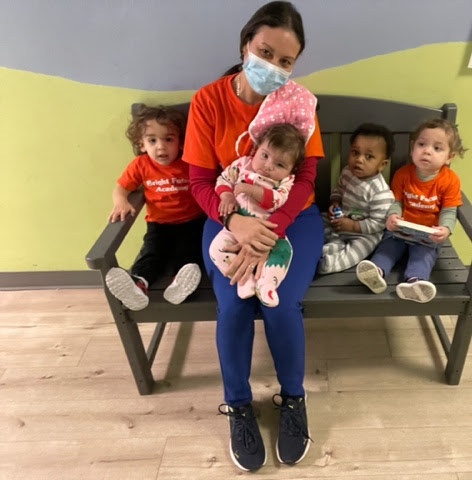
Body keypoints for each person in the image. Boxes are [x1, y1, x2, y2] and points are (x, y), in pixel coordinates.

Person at [182, 1, 324, 471]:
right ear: (246, 45)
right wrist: (236, 224)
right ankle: (238, 406)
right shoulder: (208, 101)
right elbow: (200, 181)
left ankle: (294, 399)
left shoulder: (298, 104)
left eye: (286, 60)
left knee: (279, 301)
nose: (274, 66)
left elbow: (306, 179)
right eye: (265, 52)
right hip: (227, 215)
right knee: (234, 304)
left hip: (292, 219)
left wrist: (271, 229)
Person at [105, 105, 205, 311]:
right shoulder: (141, 165)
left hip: (192, 223)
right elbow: (121, 188)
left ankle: (180, 284)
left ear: (181, 142)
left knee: (187, 252)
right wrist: (121, 202)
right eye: (152, 140)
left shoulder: (189, 163)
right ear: (141, 144)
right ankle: (138, 285)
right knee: (152, 253)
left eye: (168, 139)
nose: (161, 147)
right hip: (158, 224)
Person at [356, 118, 466, 303]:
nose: (427, 151)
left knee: (422, 257)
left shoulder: (450, 180)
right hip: (400, 231)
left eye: (437, 148)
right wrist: (393, 216)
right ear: (412, 147)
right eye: (422, 144)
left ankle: (415, 283)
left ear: (449, 157)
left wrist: (445, 229)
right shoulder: (403, 174)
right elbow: (396, 202)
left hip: (427, 237)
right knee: (387, 248)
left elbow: (449, 210)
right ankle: (377, 272)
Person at [210, 123, 306, 307]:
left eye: (279, 164)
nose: (268, 166)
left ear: (291, 170)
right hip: (236, 228)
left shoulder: (285, 182)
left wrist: (252, 190)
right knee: (216, 249)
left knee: (284, 252)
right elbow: (223, 179)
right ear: (256, 149)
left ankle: (267, 285)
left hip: (268, 231)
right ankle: (244, 279)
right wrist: (227, 195)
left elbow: (278, 200)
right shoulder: (242, 165)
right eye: (265, 155)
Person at [318, 123, 395, 274]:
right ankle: (335, 244)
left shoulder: (380, 192)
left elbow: (378, 223)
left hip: (364, 233)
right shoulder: (347, 172)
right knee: (319, 219)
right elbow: (339, 190)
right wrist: (335, 202)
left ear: (382, 165)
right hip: (341, 220)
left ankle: (330, 264)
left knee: (360, 249)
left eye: (369, 156)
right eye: (355, 152)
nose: (359, 159)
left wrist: (353, 226)